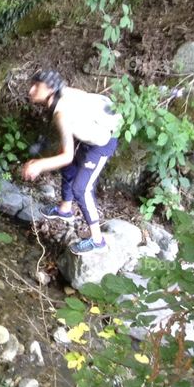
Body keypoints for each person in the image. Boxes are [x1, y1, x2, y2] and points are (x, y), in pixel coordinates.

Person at [21, 70, 122, 255]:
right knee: (69, 168)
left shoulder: (61, 113)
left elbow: (67, 155)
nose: (31, 90)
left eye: (37, 86)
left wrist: (39, 165)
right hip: (91, 133)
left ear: (50, 89)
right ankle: (65, 210)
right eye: (32, 84)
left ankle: (97, 240)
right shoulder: (62, 93)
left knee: (81, 189)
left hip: (103, 142)